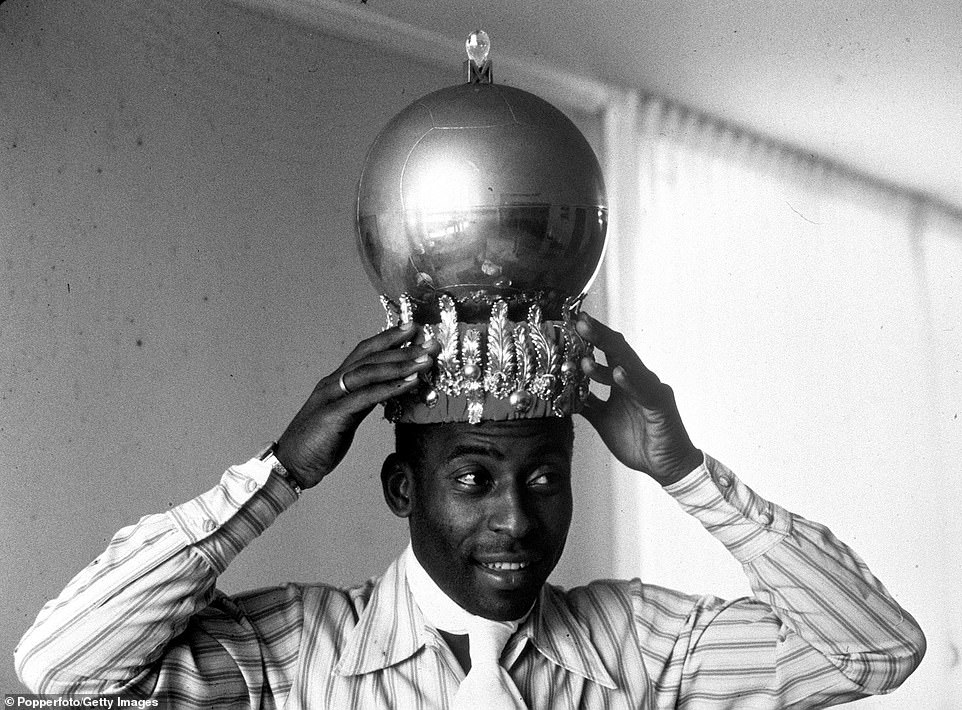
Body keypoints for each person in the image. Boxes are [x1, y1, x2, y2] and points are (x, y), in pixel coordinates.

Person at [15, 312, 925, 708]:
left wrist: (685, 473)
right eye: (472, 479)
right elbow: (62, 670)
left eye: (543, 479)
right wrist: (281, 471)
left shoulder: (641, 646)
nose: (516, 522)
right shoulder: (292, 656)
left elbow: (876, 650)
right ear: (401, 490)